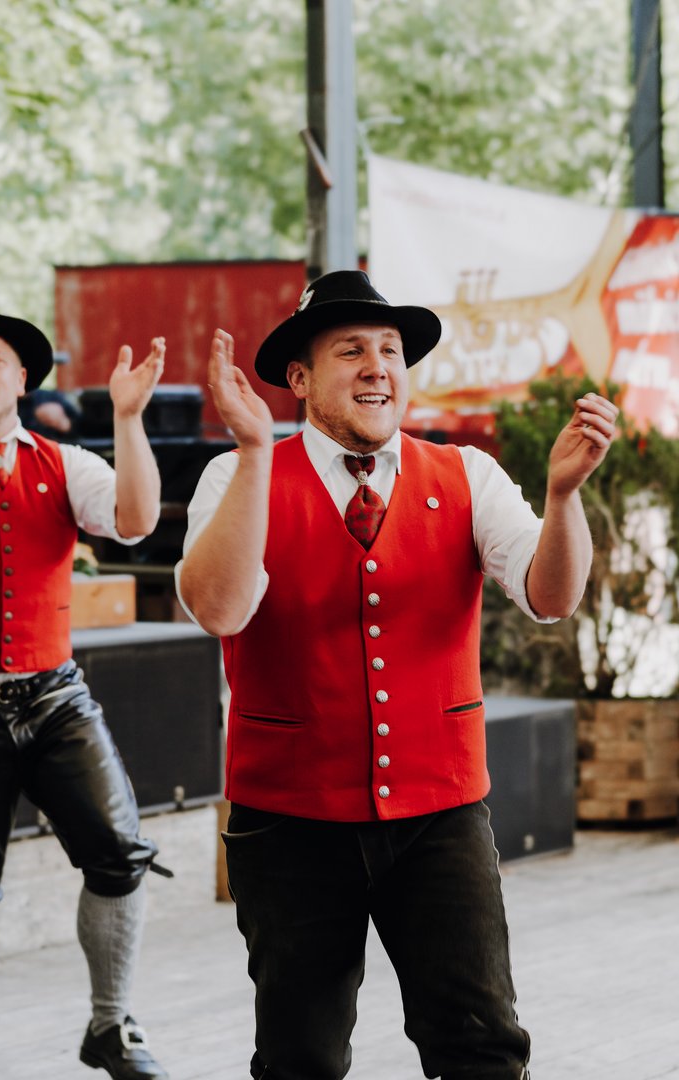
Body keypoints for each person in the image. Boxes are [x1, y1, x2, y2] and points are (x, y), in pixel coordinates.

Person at [176, 270, 619, 1080]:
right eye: (351, 350)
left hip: (441, 813)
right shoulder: (236, 476)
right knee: (300, 1058)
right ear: (299, 378)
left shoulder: (467, 474)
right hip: (290, 819)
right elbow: (219, 609)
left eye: (390, 350)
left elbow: (551, 597)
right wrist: (253, 456)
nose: (378, 366)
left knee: (482, 1047)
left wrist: (564, 498)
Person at [0, 301, 169, 1080]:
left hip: (54, 696)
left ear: (22, 379)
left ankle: (111, 1026)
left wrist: (128, 418)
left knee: (118, 852)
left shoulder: (66, 462)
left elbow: (135, 521)